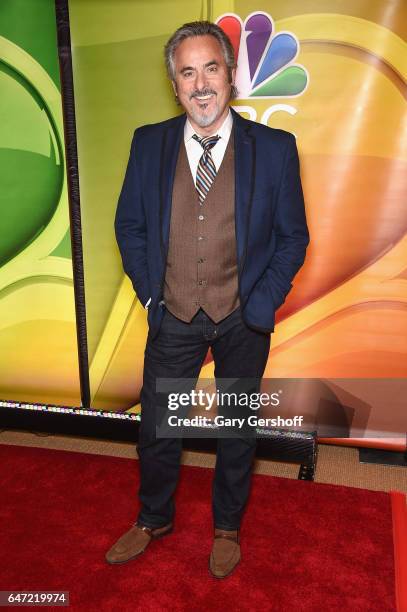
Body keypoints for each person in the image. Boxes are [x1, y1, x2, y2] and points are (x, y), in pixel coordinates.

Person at [106, 20, 309, 578]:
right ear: (175, 84)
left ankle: (226, 526)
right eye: (187, 72)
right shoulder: (149, 143)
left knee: (237, 430)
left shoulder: (274, 149)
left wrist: (262, 303)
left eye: (210, 69)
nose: (200, 85)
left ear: (230, 77)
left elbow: (294, 237)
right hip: (173, 311)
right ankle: (153, 518)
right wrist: (151, 296)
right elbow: (130, 226)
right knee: (157, 430)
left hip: (243, 318)